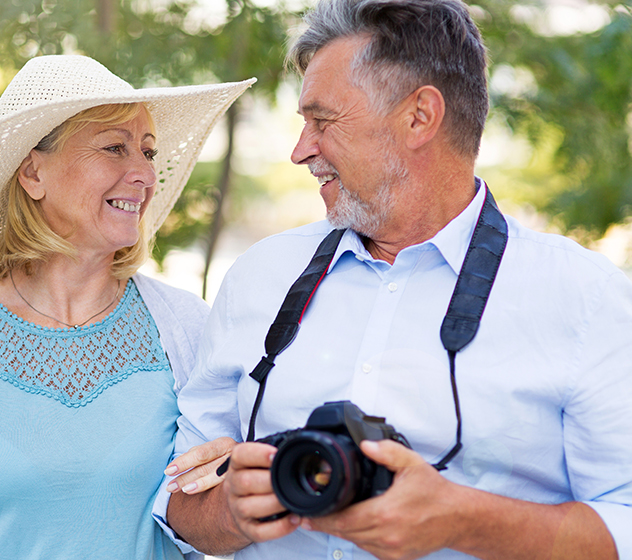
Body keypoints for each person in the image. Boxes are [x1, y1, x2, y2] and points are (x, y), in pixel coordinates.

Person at [158, 1, 632, 559]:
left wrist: (461, 520)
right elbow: (176, 505)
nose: (299, 150)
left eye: (323, 120)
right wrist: (230, 511)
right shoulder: (259, 277)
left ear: (419, 117)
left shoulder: (589, 298)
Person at [0, 54, 253, 560]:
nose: (143, 175)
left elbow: (214, 526)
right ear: (33, 173)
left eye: (148, 153)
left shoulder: (187, 326)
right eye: (114, 148)